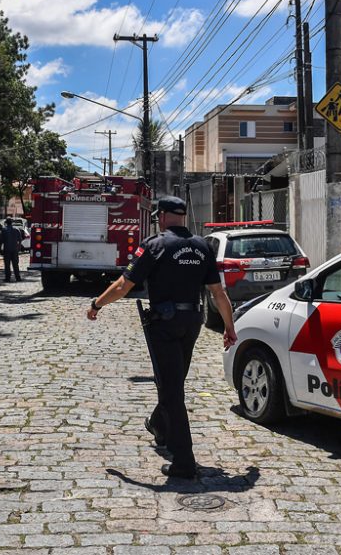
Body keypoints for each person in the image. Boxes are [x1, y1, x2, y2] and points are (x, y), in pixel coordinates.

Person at [86, 196, 237, 479]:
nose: (157, 220)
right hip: (192, 321)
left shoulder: (154, 245)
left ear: (165, 216)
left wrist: (97, 304)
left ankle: (184, 462)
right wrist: (230, 327)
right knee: (174, 381)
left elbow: (123, 285)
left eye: (158, 216)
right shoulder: (203, 246)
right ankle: (159, 425)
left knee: (171, 391)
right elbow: (219, 293)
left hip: (164, 324)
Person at [1, 218, 22, 282]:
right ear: (12, 223)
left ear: (6, 223)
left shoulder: (4, 230)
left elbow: (1, 240)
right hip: (15, 249)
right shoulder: (16, 230)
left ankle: (8, 278)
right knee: (15, 264)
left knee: (7, 265)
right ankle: (18, 277)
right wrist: (19, 248)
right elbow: (20, 240)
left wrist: (0, 249)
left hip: (7, 250)